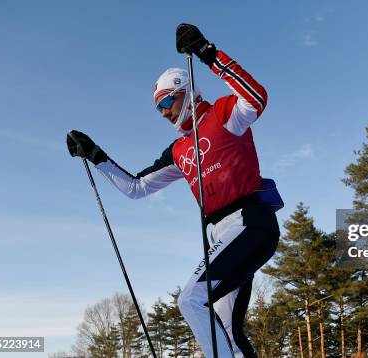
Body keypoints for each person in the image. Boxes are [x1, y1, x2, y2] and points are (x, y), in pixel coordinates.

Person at [67, 23, 281, 358]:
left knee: (191, 299)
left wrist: (208, 53)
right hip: (222, 235)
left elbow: (256, 98)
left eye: (166, 100)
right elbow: (136, 187)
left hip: (250, 221)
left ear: (186, 90)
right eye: (158, 107)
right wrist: (96, 156)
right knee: (223, 328)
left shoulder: (224, 115)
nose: (164, 112)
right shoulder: (179, 150)